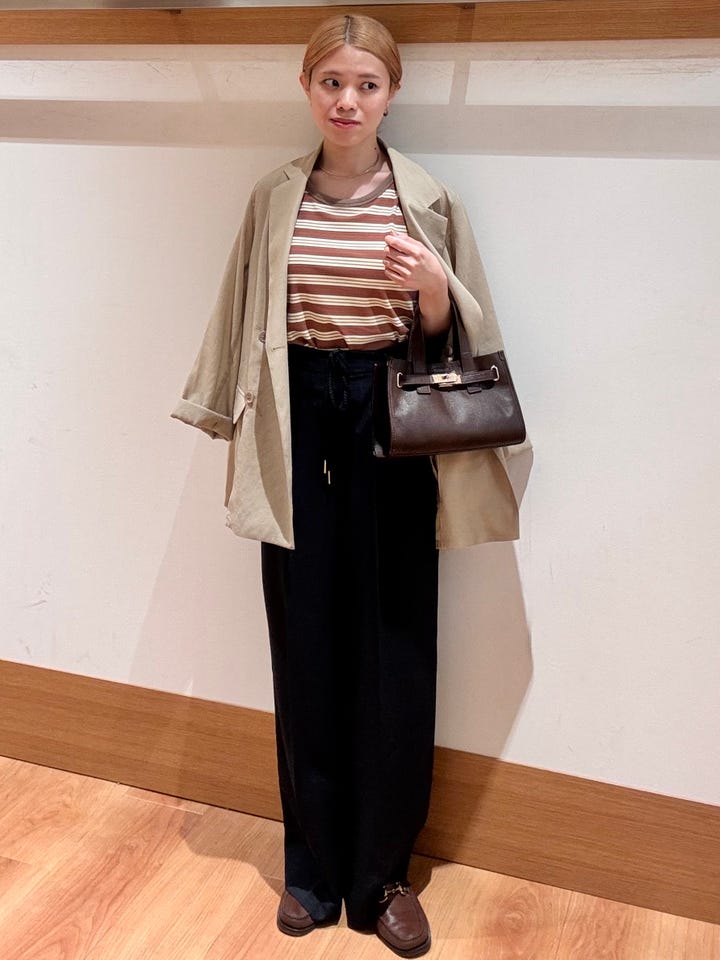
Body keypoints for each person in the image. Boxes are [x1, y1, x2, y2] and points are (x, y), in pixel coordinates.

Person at [172, 14, 526, 958]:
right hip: (297, 418)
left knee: (396, 641)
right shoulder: (274, 195)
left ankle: (384, 876)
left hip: (392, 418)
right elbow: (240, 305)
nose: (347, 100)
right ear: (306, 87)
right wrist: (212, 405)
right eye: (331, 81)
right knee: (305, 641)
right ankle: (312, 869)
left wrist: (434, 294)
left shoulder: (426, 198)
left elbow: (462, 335)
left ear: (391, 94)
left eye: (366, 84)